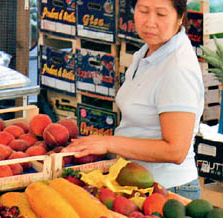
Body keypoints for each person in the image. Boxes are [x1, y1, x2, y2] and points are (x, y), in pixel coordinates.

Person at [63, 0, 203, 194]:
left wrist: (109, 143)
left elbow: (175, 150)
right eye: (143, 11)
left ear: (180, 18)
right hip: (136, 183)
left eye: (161, 14)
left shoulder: (177, 69)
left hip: (168, 190)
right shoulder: (148, 52)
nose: (149, 22)